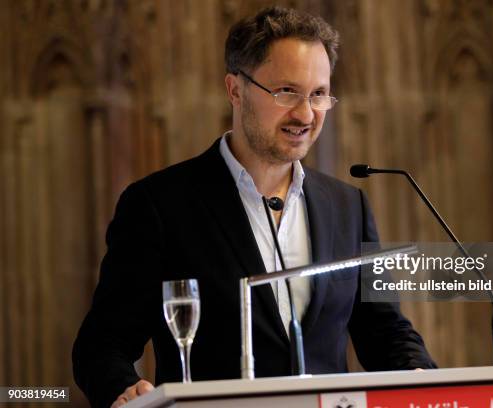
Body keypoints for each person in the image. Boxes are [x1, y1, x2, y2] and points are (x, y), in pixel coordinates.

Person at [73, 6, 436, 408]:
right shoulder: (159, 204)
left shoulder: (348, 206)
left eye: (319, 94)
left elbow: (385, 331)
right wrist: (125, 390)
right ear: (235, 89)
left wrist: (421, 375)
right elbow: (102, 344)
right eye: (286, 92)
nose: (305, 113)